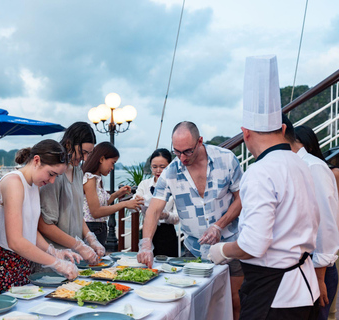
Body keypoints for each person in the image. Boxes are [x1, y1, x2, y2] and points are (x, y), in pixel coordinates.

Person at [209, 55, 320, 319]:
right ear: (282, 129)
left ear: (245, 133)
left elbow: (254, 245)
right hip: (305, 288)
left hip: (276, 295)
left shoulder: (259, 171)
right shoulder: (301, 163)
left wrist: (221, 250)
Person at [137, 121, 244, 320]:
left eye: (187, 151)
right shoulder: (171, 171)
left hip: (230, 244)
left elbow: (241, 198)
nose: (182, 158)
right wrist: (145, 244)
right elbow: (153, 210)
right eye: (177, 152)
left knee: (234, 301)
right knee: (195, 301)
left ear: (200, 141)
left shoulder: (226, 159)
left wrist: (218, 225)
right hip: (194, 247)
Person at [0, 139, 80, 293]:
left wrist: (53, 251)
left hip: (21, 261)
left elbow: (29, 228)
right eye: (51, 174)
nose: (52, 181)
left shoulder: (34, 184)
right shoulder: (14, 182)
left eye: (57, 176)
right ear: (36, 160)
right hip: (3, 262)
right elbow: (15, 241)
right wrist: (56, 263)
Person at [284, 121, 339, 319]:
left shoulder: (313, 167)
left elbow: (326, 223)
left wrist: (319, 277)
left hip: (316, 268)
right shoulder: (293, 166)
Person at [38, 122, 104, 264]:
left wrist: (91, 239)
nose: (85, 158)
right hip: (54, 256)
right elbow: (44, 225)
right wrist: (78, 245)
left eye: (89, 154)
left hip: (74, 256)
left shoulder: (78, 172)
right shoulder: (54, 175)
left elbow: (76, 213)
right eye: (83, 152)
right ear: (68, 144)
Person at [82, 142, 144, 246]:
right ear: (101, 159)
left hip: (98, 228)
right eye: (113, 163)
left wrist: (117, 194)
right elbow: (96, 212)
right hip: (91, 228)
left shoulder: (97, 179)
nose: (112, 167)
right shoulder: (89, 179)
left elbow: (104, 203)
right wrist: (124, 204)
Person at [135, 148, 179, 257]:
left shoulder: (175, 185)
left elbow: (177, 217)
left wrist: (165, 215)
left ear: (169, 166)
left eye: (162, 167)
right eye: (154, 167)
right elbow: (132, 206)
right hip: (147, 231)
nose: (158, 170)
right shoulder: (144, 184)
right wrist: (136, 202)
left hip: (166, 233)